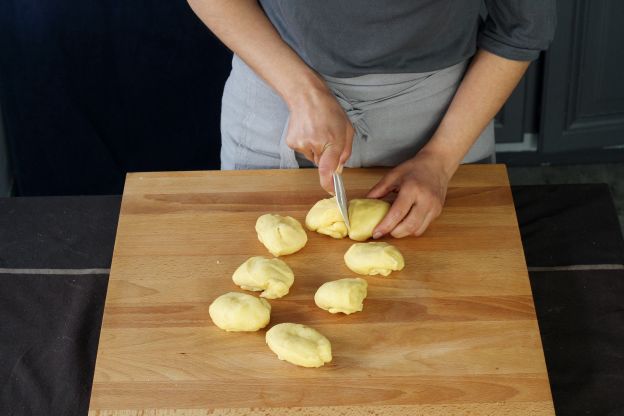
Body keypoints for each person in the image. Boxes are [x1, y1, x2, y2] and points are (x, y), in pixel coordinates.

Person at [188, 0, 556, 238]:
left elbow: (523, 26)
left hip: (444, 118)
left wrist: (440, 160)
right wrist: (302, 93)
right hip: (275, 94)